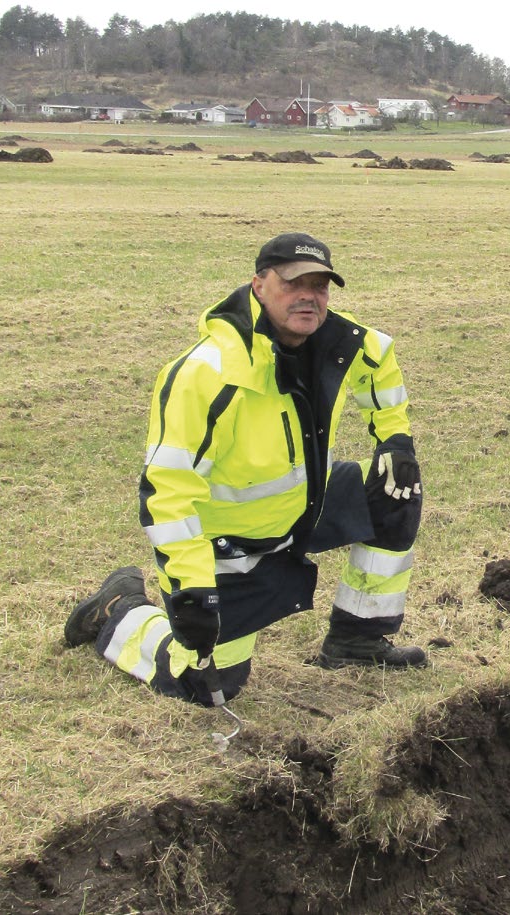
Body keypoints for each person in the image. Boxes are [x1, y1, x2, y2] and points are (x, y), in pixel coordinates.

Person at [64, 232, 425, 706]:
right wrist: (192, 591)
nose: (308, 298)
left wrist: (393, 438)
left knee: (395, 488)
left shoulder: (337, 339)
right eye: (294, 284)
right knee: (209, 688)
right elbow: (167, 495)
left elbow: (378, 357)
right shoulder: (206, 374)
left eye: (320, 286)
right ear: (258, 285)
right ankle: (119, 608)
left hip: (305, 509)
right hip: (233, 545)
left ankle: (357, 638)